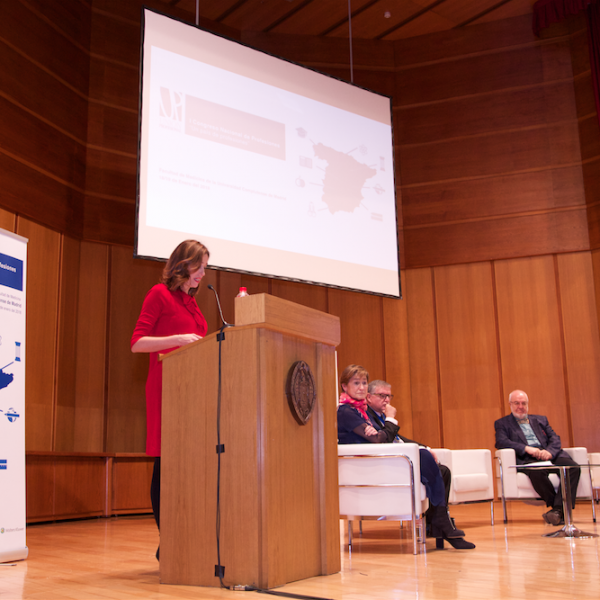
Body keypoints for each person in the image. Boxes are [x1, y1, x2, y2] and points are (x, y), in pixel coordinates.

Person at [337, 365, 475, 549]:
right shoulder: (346, 411)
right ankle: (441, 522)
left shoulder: (359, 410)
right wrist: (389, 421)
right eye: (356, 383)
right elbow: (379, 439)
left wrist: (379, 433)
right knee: (423, 455)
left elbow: (382, 436)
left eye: (364, 383)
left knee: (441, 469)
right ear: (344, 386)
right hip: (371, 467)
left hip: (382, 460)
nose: (361, 387)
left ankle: (439, 522)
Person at [131, 239, 210, 558]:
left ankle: (181, 538)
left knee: (186, 464)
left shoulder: (192, 302)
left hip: (192, 390)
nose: (202, 273)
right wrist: (177, 339)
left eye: (205, 268)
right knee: (166, 462)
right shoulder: (159, 294)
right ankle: (169, 539)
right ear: (183, 264)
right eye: (199, 267)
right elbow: (137, 343)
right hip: (167, 388)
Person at [365, 379, 451, 529]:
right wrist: (391, 418)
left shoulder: (381, 415)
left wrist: (426, 448)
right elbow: (385, 441)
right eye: (382, 395)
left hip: (401, 458)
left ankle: (434, 521)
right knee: (439, 471)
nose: (387, 400)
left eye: (389, 396)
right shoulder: (367, 417)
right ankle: (435, 523)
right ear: (369, 397)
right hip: (391, 464)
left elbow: (399, 438)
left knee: (443, 471)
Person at [494, 389, 580, 525]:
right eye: (517, 403)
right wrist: (526, 448)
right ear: (510, 404)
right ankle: (559, 510)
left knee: (573, 468)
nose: (520, 406)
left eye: (523, 403)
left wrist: (549, 452)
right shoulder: (502, 423)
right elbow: (501, 442)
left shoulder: (540, 420)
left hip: (549, 454)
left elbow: (554, 438)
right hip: (527, 458)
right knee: (537, 472)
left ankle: (557, 511)